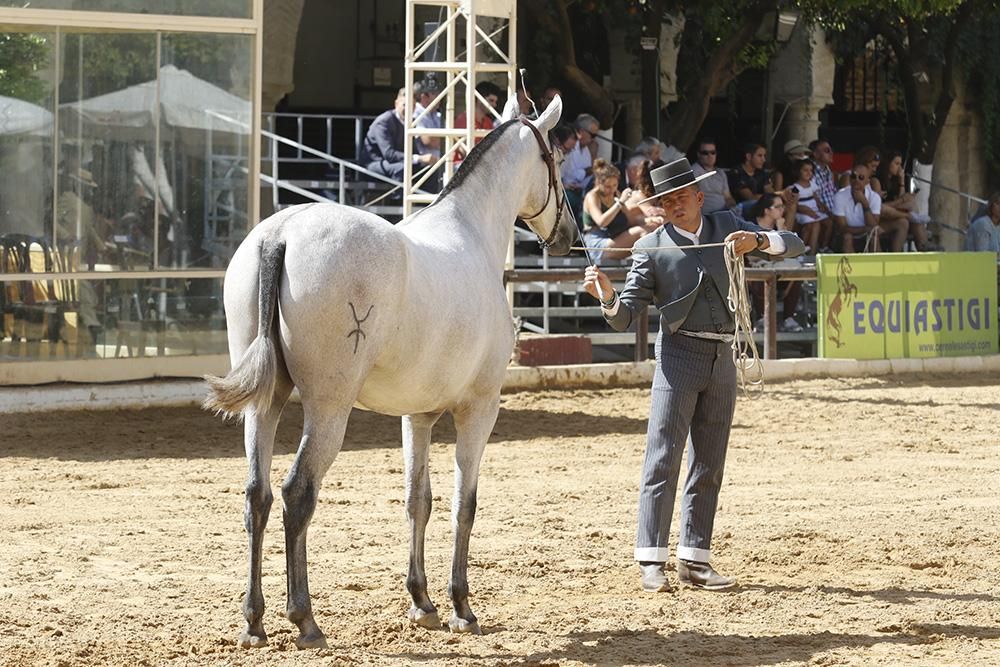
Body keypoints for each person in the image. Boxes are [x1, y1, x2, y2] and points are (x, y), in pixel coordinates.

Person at [582, 157, 804, 593]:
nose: (674, 205)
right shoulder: (649, 249)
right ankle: (651, 559)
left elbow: (793, 242)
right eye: (666, 201)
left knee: (709, 461)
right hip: (677, 354)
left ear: (699, 197)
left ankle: (695, 559)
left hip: (723, 355)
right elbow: (626, 317)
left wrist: (757, 240)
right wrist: (607, 295)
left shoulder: (727, 227)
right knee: (662, 456)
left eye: (682, 197)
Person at [582, 159, 663, 263]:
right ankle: (650, 264)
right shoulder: (592, 196)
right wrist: (620, 203)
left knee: (652, 227)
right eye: (607, 186)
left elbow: (630, 219)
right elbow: (601, 222)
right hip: (597, 244)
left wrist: (649, 220)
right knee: (641, 232)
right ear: (599, 183)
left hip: (613, 237)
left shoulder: (615, 194)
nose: (611, 190)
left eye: (614, 185)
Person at [747, 193, 804, 332]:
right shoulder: (751, 225)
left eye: (782, 206)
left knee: (797, 273)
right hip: (756, 267)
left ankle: (788, 318)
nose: (782, 209)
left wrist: (781, 228)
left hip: (778, 268)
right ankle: (762, 318)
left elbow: (790, 249)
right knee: (760, 274)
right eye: (777, 206)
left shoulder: (779, 225)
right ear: (767, 210)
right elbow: (750, 256)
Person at [360, 87, 435, 180]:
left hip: (400, 161)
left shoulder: (411, 122)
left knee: (430, 170)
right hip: (376, 163)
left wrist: (424, 160)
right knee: (403, 170)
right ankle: (399, 195)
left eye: (412, 106)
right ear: (396, 104)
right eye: (405, 105)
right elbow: (389, 154)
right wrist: (419, 158)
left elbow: (413, 150)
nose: (408, 109)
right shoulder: (384, 121)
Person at [831, 163, 907, 252]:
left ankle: (881, 265)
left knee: (874, 236)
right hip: (845, 237)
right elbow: (842, 227)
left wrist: (864, 204)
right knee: (847, 236)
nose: (856, 180)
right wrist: (864, 229)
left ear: (867, 181)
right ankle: (851, 266)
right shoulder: (840, 196)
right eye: (853, 176)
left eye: (861, 177)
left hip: (866, 235)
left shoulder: (874, 197)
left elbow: (873, 225)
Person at [875, 150, 935, 250]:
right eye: (896, 163)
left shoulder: (894, 180)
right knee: (910, 207)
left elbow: (900, 198)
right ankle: (922, 243)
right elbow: (877, 207)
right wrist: (903, 200)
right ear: (888, 163)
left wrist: (901, 182)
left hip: (895, 214)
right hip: (882, 216)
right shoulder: (876, 181)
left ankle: (922, 243)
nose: (899, 168)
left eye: (900, 164)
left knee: (909, 209)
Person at [561, 113, 601, 221]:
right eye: (593, 135)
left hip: (582, 190)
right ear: (581, 132)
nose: (594, 139)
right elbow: (570, 175)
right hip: (565, 190)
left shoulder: (587, 150)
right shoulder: (570, 146)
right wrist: (590, 169)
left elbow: (590, 174)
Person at [788, 159, 830, 253]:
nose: (809, 173)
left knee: (829, 223)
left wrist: (822, 206)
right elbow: (796, 205)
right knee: (814, 225)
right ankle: (809, 249)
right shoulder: (794, 187)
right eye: (805, 170)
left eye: (811, 170)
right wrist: (809, 212)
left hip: (815, 210)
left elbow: (816, 198)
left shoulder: (812, 185)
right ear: (798, 172)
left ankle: (824, 246)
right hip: (803, 212)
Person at [692, 137, 736, 214]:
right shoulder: (694, 171)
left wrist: (733, 207)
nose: (710, 156)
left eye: (713, 152)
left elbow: (728, 197)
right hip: (707, 215)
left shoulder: (720, 172)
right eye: (705, 153)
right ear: (698, 154)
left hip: (725, 211)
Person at [809, 139, 838, 251]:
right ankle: (822, 249)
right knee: (830, 223)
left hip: (831, 209)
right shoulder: (810, 170)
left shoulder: (828, 170)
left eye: (831, 150)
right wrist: (829, 212)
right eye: (827, 150)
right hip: (817, 210)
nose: (831, 153)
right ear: (816, 154)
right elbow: (813, 195)